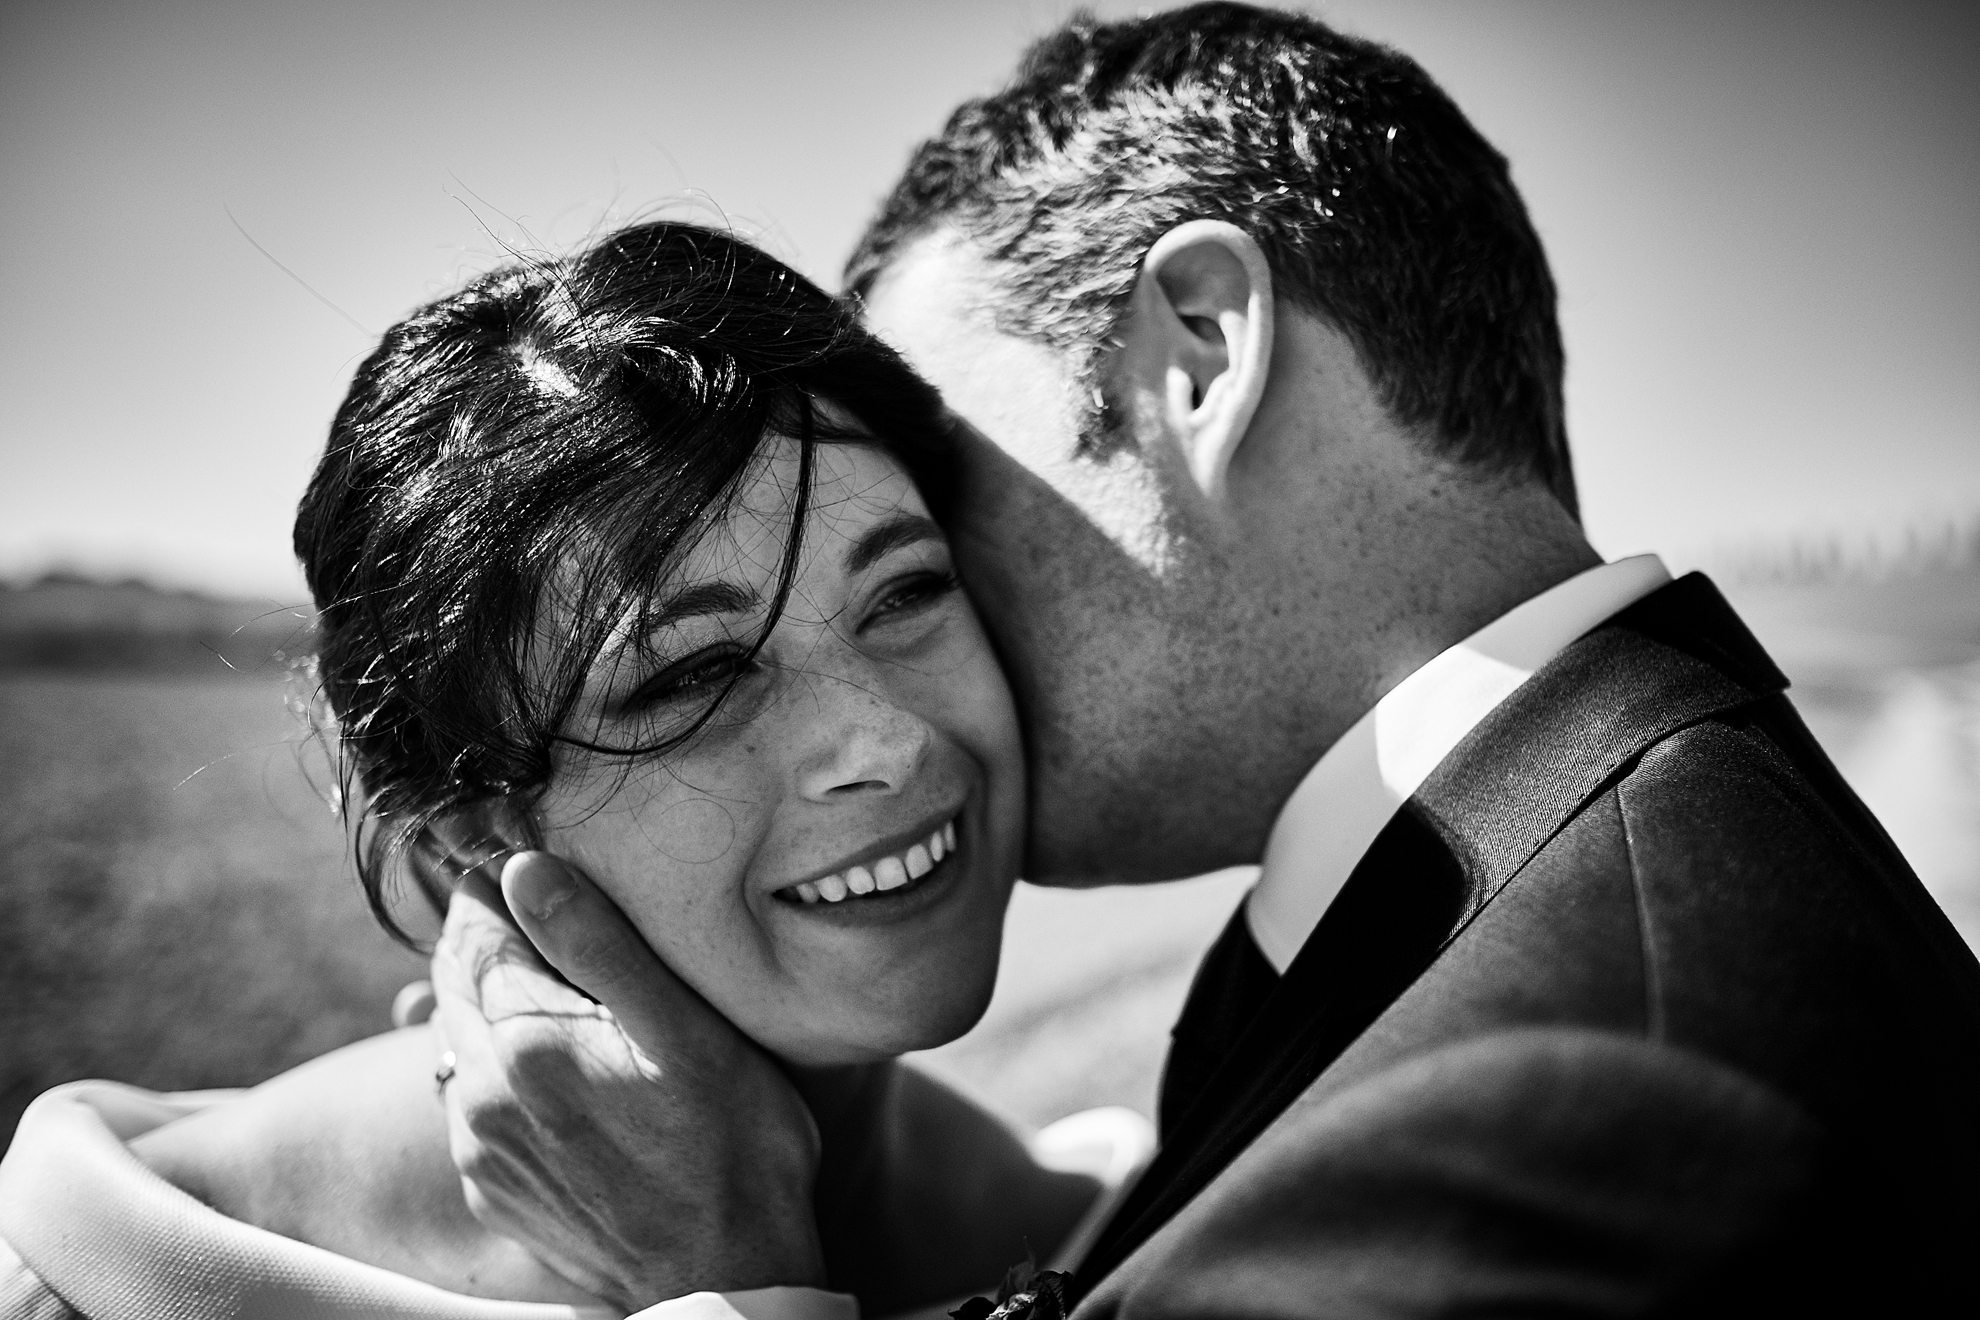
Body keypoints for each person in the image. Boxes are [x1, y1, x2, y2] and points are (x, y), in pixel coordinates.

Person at [428, 4, 1980, 1316]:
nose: (909, 672)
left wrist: (728, 1277)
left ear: (1202, 355)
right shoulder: (1593, 884)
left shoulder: (1562, 1121)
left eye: (946, 505)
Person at [0, 221, 1146, 1318]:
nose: (888, 743)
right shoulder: (123, 1273)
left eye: (904, 593)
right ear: (472, 832)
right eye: (692, 675)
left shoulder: (1121, 1222)